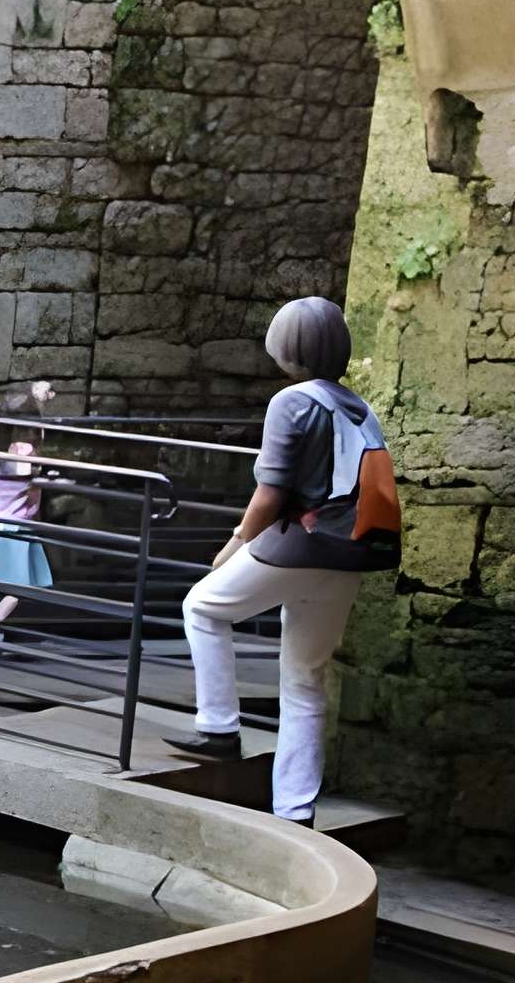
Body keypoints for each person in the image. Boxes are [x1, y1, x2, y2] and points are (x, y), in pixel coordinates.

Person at [167, 297, 396, 822]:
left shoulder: (291, 401)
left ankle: (219, 728)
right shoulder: (358, 407)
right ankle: (295, 811)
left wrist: (236, 542)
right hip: (349, 552)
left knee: (202, 607)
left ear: (286, 346)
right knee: (305, 680)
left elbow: (272, 491)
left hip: (302, 543)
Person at [0, 379, 58, 655]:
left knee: (10, 587)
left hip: (7, 522)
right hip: (14, 527)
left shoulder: (10, 448)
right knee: (16, 589)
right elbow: (25, 476)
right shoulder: (23, 452)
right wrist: (41, 475)